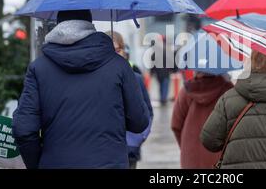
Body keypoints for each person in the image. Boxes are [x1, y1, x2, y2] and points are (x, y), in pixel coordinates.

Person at [13, 10, 149, 169]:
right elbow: (139, 122)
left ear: (57, 27)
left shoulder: (38, 68)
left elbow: (23, 129)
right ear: (90, 26)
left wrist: (37, 163)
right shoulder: (119, 65)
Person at [105, 31, 154, 169]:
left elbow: (147, 112)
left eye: (117, 50)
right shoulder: (94, 79)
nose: (114, 54)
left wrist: (136, 139)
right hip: (104, 152)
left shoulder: (135, 78)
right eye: (109, 50)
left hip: (129, 150)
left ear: (124, 51)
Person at [171, 72, 233, 169]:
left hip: (190, 157)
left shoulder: (186, 91)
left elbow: (176, 125)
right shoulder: (228, 91)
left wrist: (185, 147)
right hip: (219, 157)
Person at [150, 36, 175, 106]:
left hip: (158, 73)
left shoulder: (155, 53)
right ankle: (163, 99)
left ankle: (162, 98)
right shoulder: (167, 51)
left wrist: (152, 72)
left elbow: (152, 64)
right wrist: (173, 70)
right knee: (165, 85)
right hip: (166, 72)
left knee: (161, 85)